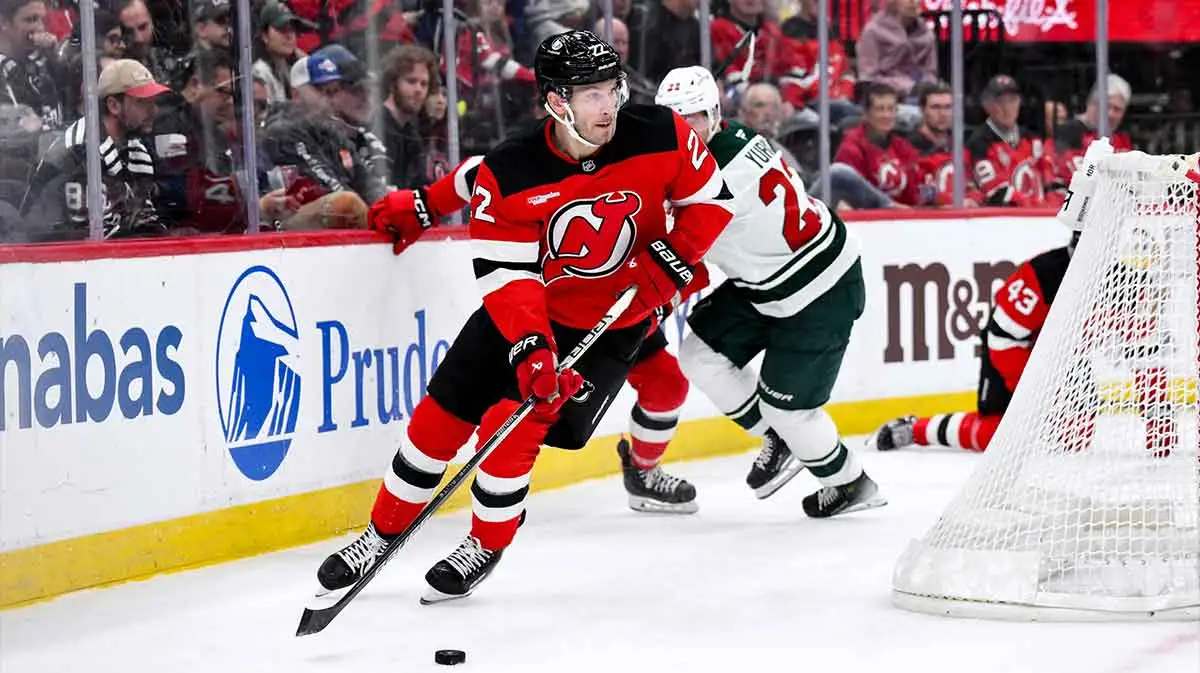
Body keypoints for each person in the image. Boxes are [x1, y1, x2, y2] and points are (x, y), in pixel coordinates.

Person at [314, 30, 733, 604]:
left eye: (611, 88)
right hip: (522, 315)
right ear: (557, 102)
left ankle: (484, 544)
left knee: (508, 431)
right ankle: (380, 534)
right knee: (436, 423)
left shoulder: (662, 133)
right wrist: (532, 345)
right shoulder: (513, 168)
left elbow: (711, 200)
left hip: (610, 325)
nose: (608, 105)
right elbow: (508, 274)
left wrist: (674, 260)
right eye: (590, 94)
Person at [367, 156, 705, 515]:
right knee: (508, 406)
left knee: (667, 384)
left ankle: (642, 474)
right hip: (554, 304)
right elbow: (491, 169)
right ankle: (493, 504)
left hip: (624, 314)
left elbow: (692, 262)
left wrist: (656, 307)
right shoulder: (619, 155)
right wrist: (429, 202)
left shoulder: (699, 185)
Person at [657, 66, 886, 517]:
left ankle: (850, 483)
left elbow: (680, 249)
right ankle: (779, 440)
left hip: (820, 289)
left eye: (693, 119)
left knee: (789, 412)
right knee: (700, 355)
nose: (684, 131)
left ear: (714, 114)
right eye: (674, 121)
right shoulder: (732, 137)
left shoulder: (713, 180)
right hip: (766, 282)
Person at [869, 234, 1077, 453]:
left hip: (1063, 358)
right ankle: (917, 429)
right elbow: (1002, 337)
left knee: (1075, 434)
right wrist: (1030, 391)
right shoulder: (1045, 274)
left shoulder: (1101, 276)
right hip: (1010, 353)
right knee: (997, 436)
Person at [23, 58, 168, 240]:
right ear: (113, 105)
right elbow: (78, 238)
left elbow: (143, 220)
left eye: (153, 102)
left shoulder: (137, 150)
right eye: (142, 102)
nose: (153, 111)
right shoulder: (77, 152)